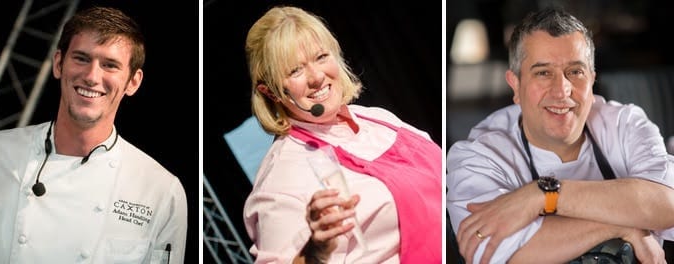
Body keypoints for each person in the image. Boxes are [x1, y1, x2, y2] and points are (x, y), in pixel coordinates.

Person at [446, 7, 674, 264]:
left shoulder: (625, 124)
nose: (562, 90)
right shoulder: (479, 154)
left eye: (575, 72)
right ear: (516, 86)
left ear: (592, 80)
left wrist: (543, 195)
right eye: (543, 73)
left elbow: (668, 205)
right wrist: (624, 226)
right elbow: (490, 250)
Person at [0, 6, 187, 263]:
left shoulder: (161, 191)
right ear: (59, 63)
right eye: (81, 58)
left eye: (109, 65)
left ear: (133, 82)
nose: (92, 76)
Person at [242, 6, 442, 263]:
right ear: (270, 92)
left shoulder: (378, 119)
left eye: (321, 56)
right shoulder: (282, 177)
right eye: (295, 71)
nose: (316, 76)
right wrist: (315, 251)